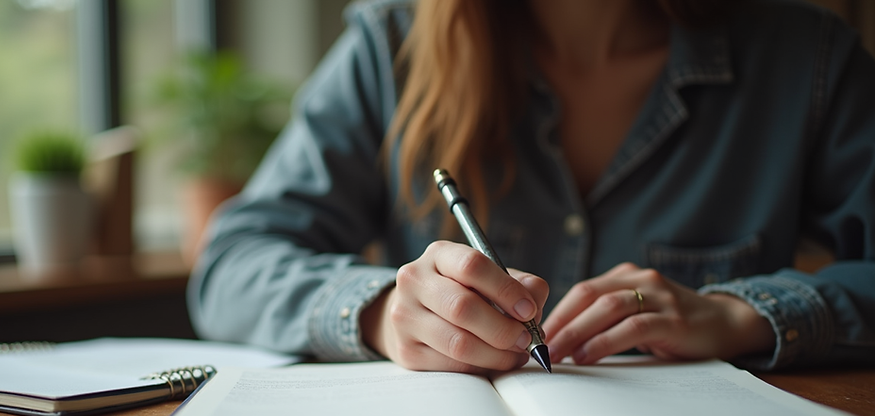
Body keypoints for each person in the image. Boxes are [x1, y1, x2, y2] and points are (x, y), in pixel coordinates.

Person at [188, 0, 875, 374]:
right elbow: (232, 262)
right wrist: (375, 311)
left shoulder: (809, 58)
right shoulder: (390, 48)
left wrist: (747, 314)